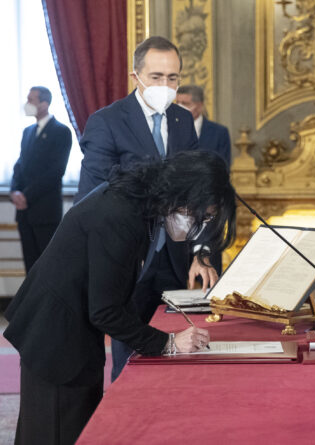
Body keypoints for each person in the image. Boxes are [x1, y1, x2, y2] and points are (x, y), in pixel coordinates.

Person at [4, 151, 236, 445]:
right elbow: (104, 311)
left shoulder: (135, 202)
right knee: (56, 431)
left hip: (69, 331)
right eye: (203, 215)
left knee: (72, 426)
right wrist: (167, 343)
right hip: (55, 335)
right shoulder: (120, 215)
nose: (201, 224)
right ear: (182, 194)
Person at [77, 36, 217, 380]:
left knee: (178, 349)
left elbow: (195, 192)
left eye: (173, 78)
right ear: (135, 76)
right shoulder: (106, 121)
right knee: (131, 355)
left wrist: (201, 251)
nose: (165, 86)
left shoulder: (183, 121)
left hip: (174, 258)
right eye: (156, 77)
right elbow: (100, 191)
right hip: (127, 257)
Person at [11, 86, 72, 272]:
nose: (27, 104)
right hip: (24, 212)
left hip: (44, 210)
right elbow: (20, 165)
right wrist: (14, 191)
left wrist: (26, 195)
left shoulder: (61, 131)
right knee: (29, 264)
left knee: (47, 266)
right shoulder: (27, 131)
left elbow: (56, 171)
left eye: (31, 100)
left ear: (44, 104)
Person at [176, 84, 232, 167]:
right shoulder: (169, 129)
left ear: (199, 106)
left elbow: (223, 167)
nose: (179, 107)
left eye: (185, 103)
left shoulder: (219, 133)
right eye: (177, 103)